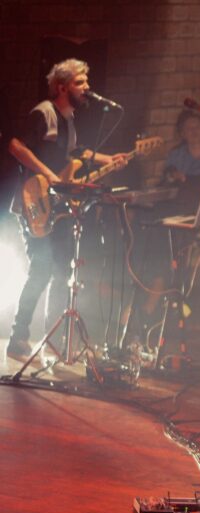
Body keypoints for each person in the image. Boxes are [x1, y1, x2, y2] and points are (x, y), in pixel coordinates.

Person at [6, 58, 128, 360]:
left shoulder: (69, 120)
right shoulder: (44, 113)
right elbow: (15, 146)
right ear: (62, 87)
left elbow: (76, 153)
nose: (87, 88)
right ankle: (18, 337)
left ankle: (52, 340)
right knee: (41, 268)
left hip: (56, 206)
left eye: (86, 82)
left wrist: (111, 159)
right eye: (80, 83)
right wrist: (48, 175)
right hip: (35, 200)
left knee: (61, 271)